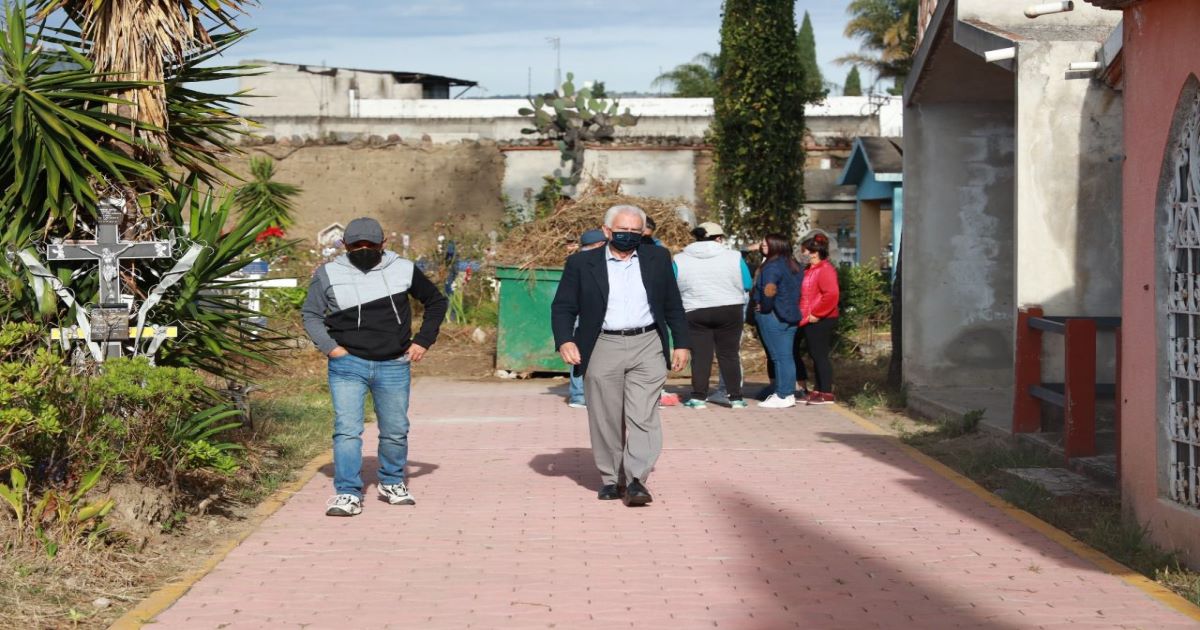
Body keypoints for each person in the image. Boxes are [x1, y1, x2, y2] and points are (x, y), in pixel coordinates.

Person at [301, 217, 448, 517]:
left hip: (394, 364)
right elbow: (311, 314)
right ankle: (347, 493)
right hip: (347, 364)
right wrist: (331, 348)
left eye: (370, 244)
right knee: (347, 431)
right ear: (345, 245)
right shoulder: (328, 273)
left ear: (383, 244)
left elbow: (436, 302)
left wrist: (423, 341)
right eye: (357, 245)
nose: (364, 249)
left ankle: (392, 482)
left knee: (395, 430)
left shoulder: (403, 269)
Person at [551, 205, 690, 506]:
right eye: (622, 230)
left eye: (635, 231)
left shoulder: (658, 258)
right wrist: (565, 340)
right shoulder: (581, 263)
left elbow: (672, 303)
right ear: (606, 231)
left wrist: (682, 342)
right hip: (602, 343)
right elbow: (563, 306)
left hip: (648, 343)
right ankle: (612, 479)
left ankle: (637, 479)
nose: (628, 235)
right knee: (606, 416)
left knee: (643, 414)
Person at [673, 221, 752, 409]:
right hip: (730, 309)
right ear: (719, 238)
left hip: (695, 310)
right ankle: (735, 398)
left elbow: (673, 285)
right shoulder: (734, 256)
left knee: (701, 356)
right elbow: (747, 283)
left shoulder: (679, 259)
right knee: (729, 354)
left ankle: (698, 397)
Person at [752, 233, 803, 408]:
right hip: (791, 315)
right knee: (786, 356)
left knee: (778, 357)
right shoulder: (794, 265)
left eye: (766, 243)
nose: (763, 246)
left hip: (773, 315)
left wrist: (764, 308)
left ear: (776, 245)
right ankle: (787, 393)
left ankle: (783, 394)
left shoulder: (771, 267)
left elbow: (769, 289)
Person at [566, 229, 608, 408]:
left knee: (578, 353)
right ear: (599, 244)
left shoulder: (574, 260)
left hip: (578, 314)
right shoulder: (598, 261)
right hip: (592, 314)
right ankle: (586, 395)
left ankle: (578, 395)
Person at [799, 233, 841, 405]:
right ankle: (818, 389)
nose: (803, 254)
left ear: (815, 252)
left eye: (805, 251)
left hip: (821, 318)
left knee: (820, 355)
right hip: (810, 318)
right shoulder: (810, 269)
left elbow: (831, 294)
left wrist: (817, 313)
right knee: (815, 355)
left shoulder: (825, 269)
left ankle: (826, 392)